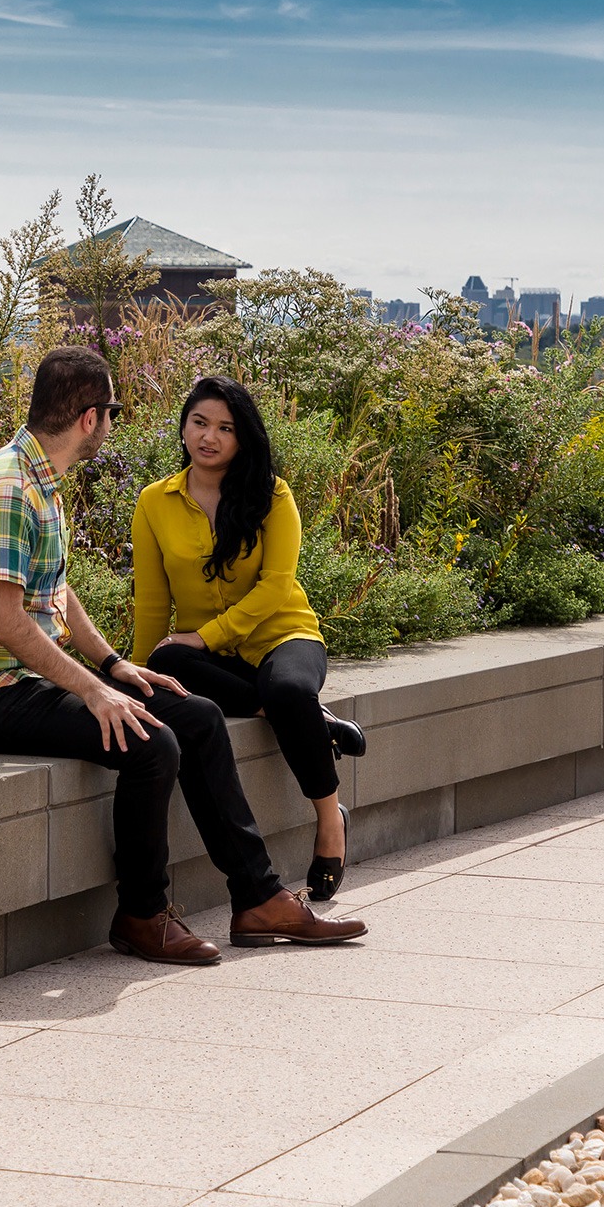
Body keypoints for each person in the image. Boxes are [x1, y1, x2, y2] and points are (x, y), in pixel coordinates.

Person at [0, 347, 365, 966]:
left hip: (22, 681)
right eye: (112, 410)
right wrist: (93, 692)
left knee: (199, 716)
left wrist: (114, 667)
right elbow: (3, 618)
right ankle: (141, 915)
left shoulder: (39, 481)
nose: (114, 422)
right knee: (153, 743)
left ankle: (259, 897)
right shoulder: (8, 488)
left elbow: (53, 590)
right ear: (89, 417)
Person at [131, 375, 369, 903]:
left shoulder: (272, 495)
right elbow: (150, 603)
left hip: (284, 637)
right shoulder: (154, 502)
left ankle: (331, 820)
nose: (208, 437)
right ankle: (313, 722)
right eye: (199, 422)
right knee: (166, 657)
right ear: (184, 426)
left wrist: (208, 634)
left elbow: (277, 586)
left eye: (224, 428)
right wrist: (135, 675)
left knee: (286, 690)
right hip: (214, 659)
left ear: (243, 438)